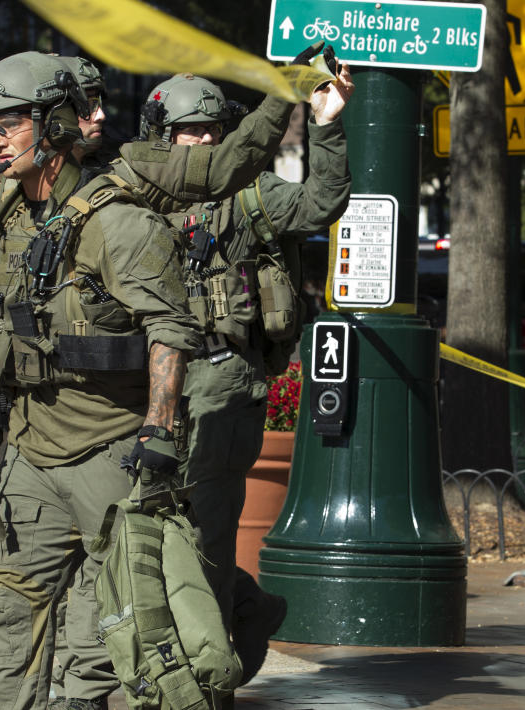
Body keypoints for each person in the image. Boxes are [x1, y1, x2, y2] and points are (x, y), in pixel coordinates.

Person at [0, 51, 202, 710]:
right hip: (30, 454)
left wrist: (159, 430)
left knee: (108, 645)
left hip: (111, 452)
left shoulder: (119, 221)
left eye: (12, 123)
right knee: (5, 632)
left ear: (54, 126)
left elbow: (169, 327)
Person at [138, 64, 353, 687]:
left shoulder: (251, 192)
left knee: (205, 532)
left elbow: (321, 202)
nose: (203, 142)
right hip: (152, 386)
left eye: (212, 130)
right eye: (188, 131)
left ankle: (208, 673)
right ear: (162, 136)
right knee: (151, 532)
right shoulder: (135, 194)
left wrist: (325, 125)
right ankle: (247, 610)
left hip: (221, 383)